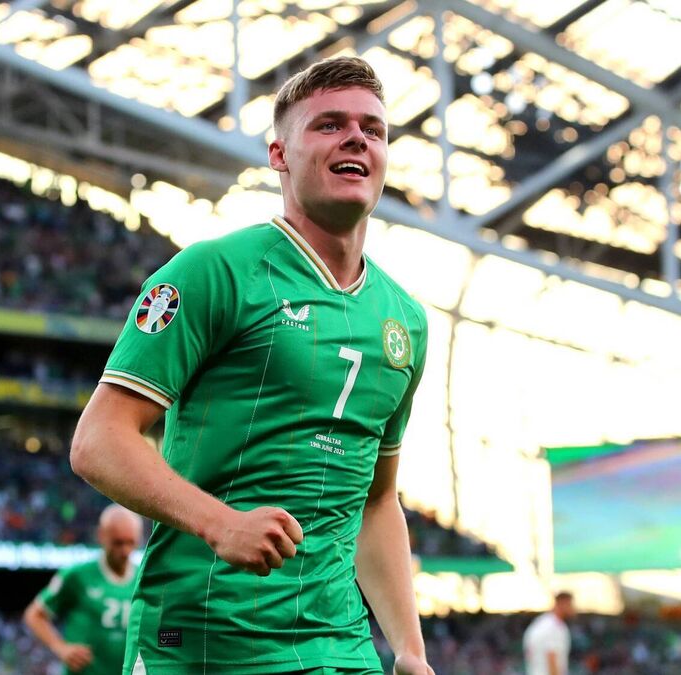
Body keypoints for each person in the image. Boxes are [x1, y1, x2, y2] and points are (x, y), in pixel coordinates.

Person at [70, 56, 432, 674]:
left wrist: (410, 649)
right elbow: (98, 441)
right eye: (329, 124)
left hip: (338, 647)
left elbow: (377, 501)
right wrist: (220, 524)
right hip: (203, 641)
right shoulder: (213, 272)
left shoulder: (406, 321)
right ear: (279, 155)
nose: (356, 138)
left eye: (372, 129)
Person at [23, 506, 142, 675]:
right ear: (101, 535)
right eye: (118, 543)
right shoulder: (77, 575)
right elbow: (35, 615)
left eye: (131, 542)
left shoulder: (144, 579)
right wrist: (61, 648)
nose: (125, 551)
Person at [522, 592, 575, 675]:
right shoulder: (554, 627)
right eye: (571, 605)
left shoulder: (540, 622)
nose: (574, 609)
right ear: (563, 603)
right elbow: (552, 659)